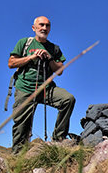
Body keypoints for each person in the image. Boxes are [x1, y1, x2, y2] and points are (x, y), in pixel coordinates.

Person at [8, 16, 75, 154]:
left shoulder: (54, 48)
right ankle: (17, 158)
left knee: (68, 99)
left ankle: (59, 139)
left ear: (50, 29)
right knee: (21, 126)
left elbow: (60, 71)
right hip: (24, 89)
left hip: (46, 88)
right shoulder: (25, 43)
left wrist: (49, 58)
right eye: (41, 25)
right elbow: (11, 63)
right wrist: (31, 58)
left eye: (47, 26)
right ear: (34, 28)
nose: (44, 28)